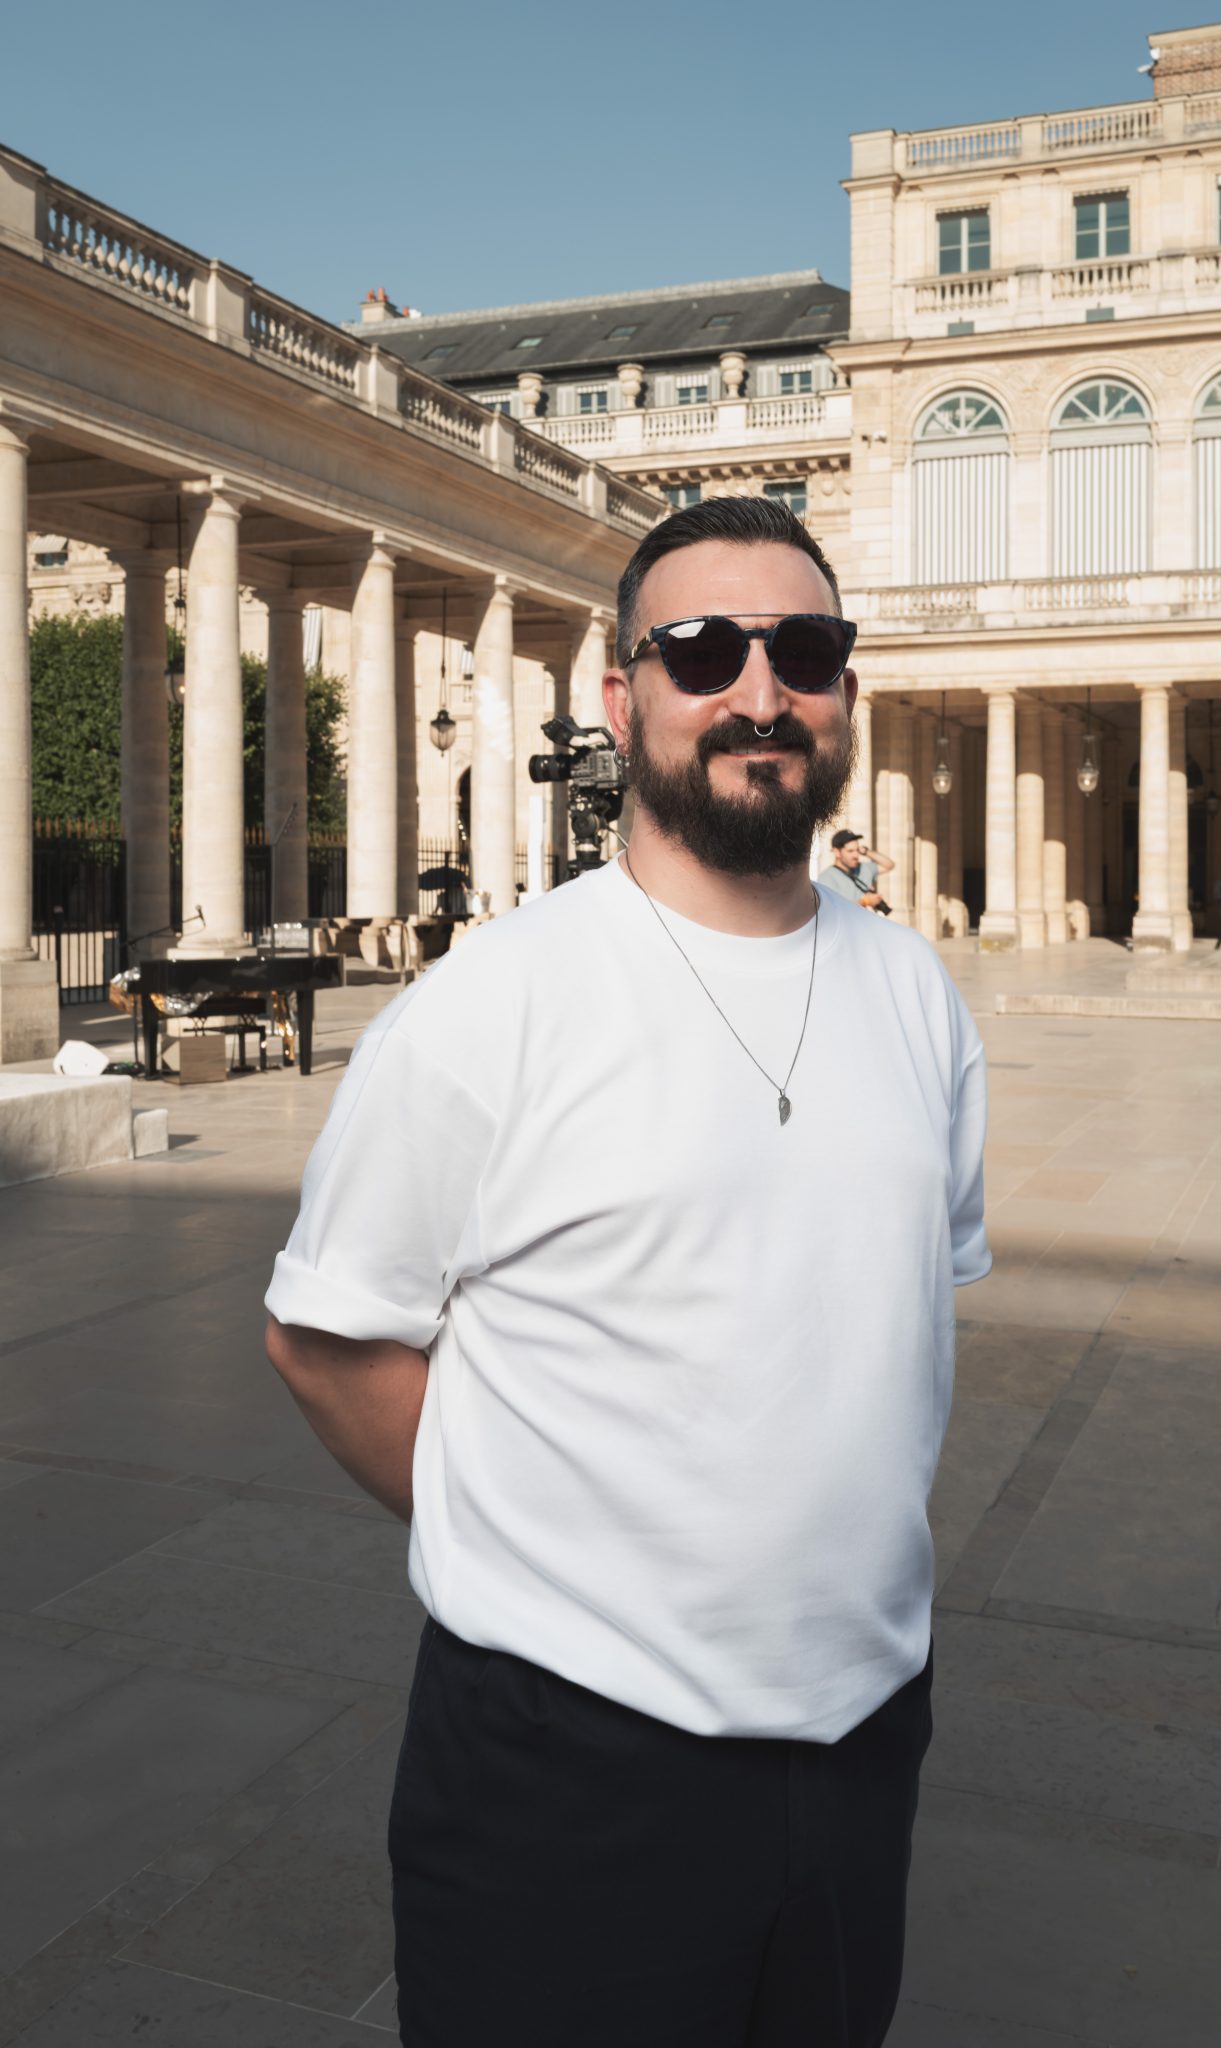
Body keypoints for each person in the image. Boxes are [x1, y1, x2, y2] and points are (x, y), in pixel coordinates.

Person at [264, 495, 990, 2048]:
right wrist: (551, 1542)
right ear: (620, 699)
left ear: (843, 692)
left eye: (801, 650)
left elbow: (883, 1319)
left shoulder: (912, 990)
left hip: (861, 1737)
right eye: (702, 650)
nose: (756, 690)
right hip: (565, 1768)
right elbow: (329, 1342)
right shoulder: (493, 1005)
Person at [820, 826, 892, 912]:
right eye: (850, 851)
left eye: (857, 850)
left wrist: (866, 851)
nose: (856, 856)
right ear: (836, 852)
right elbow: (832, 911)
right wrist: (865, 901)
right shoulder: (826, 878)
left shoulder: (863, 868)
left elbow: (888, 865)